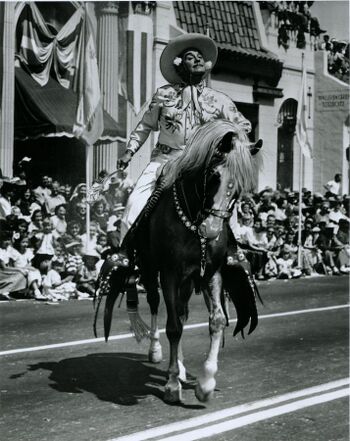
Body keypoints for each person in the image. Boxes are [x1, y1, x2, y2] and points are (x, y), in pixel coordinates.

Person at [117, 33, 252, 242]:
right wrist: (129, 151)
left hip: (201, 164)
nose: (197, 58)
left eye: (199, 56)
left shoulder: (219, 99)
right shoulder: (164, 94)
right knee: (134, 205)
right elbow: (145, 125)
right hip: (164, 161)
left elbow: (243, 125)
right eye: (190, 56)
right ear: (180, 65)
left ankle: (233, 255)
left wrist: (228, 142)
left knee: (223, 206)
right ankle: (128, 256)